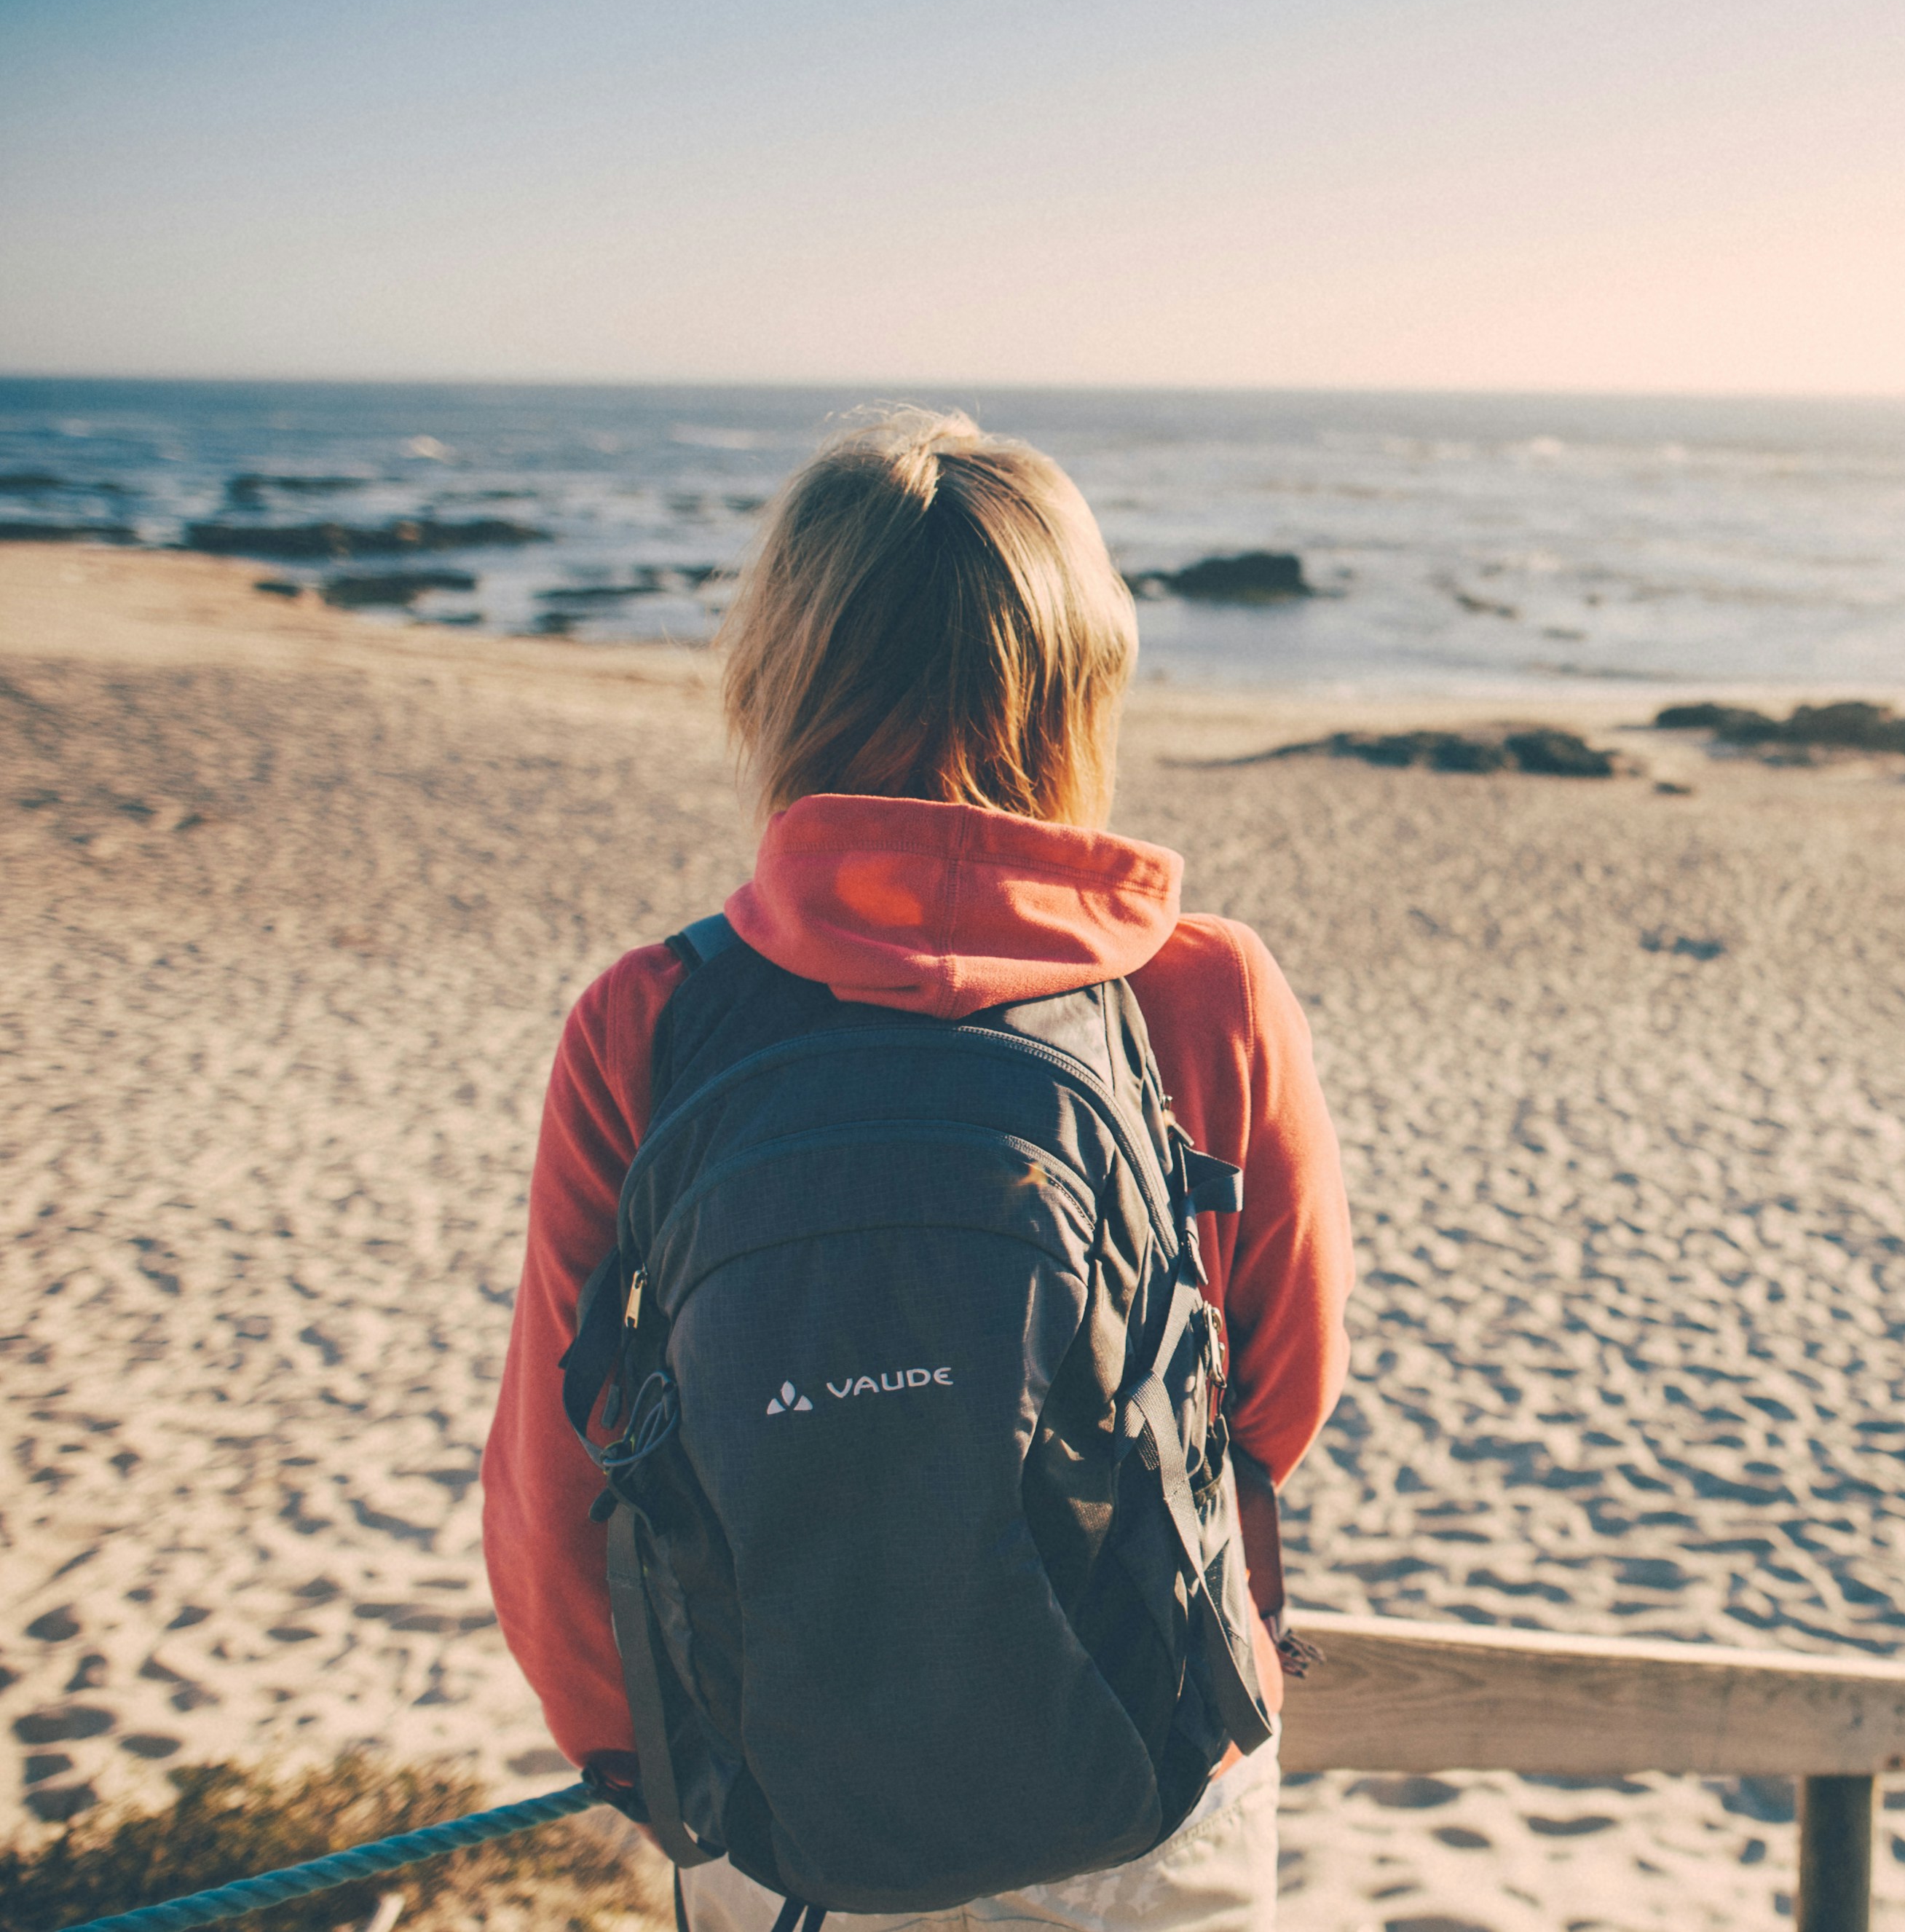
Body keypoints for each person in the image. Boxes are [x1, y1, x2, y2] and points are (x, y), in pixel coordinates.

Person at [482, 409, 1354, 1932]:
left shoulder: (652, 1018)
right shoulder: (1203, 992)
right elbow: (1279, 1394)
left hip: (780, 1796)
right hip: (1149, 1764)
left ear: (779, 676)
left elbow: (561, 1474)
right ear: (1082, 681)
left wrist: (636, 1753)